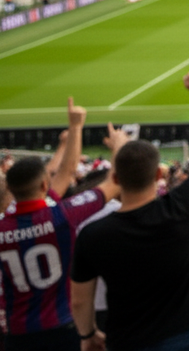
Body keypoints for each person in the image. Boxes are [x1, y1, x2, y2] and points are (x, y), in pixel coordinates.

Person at [71, 71, 189, 351]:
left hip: (128, 339)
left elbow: (80, 299)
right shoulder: (178, 208)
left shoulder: (92, 234)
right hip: (187, 335)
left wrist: (87, 334)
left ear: (115, 179)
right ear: (159, 174)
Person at [1, 101, 122, 351]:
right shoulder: (63, 215)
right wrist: (118, 146)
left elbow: (64, 174)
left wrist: (72, 133)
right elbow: (114, 182)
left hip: (18, 333)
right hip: (63, 327)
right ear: (45, 186)